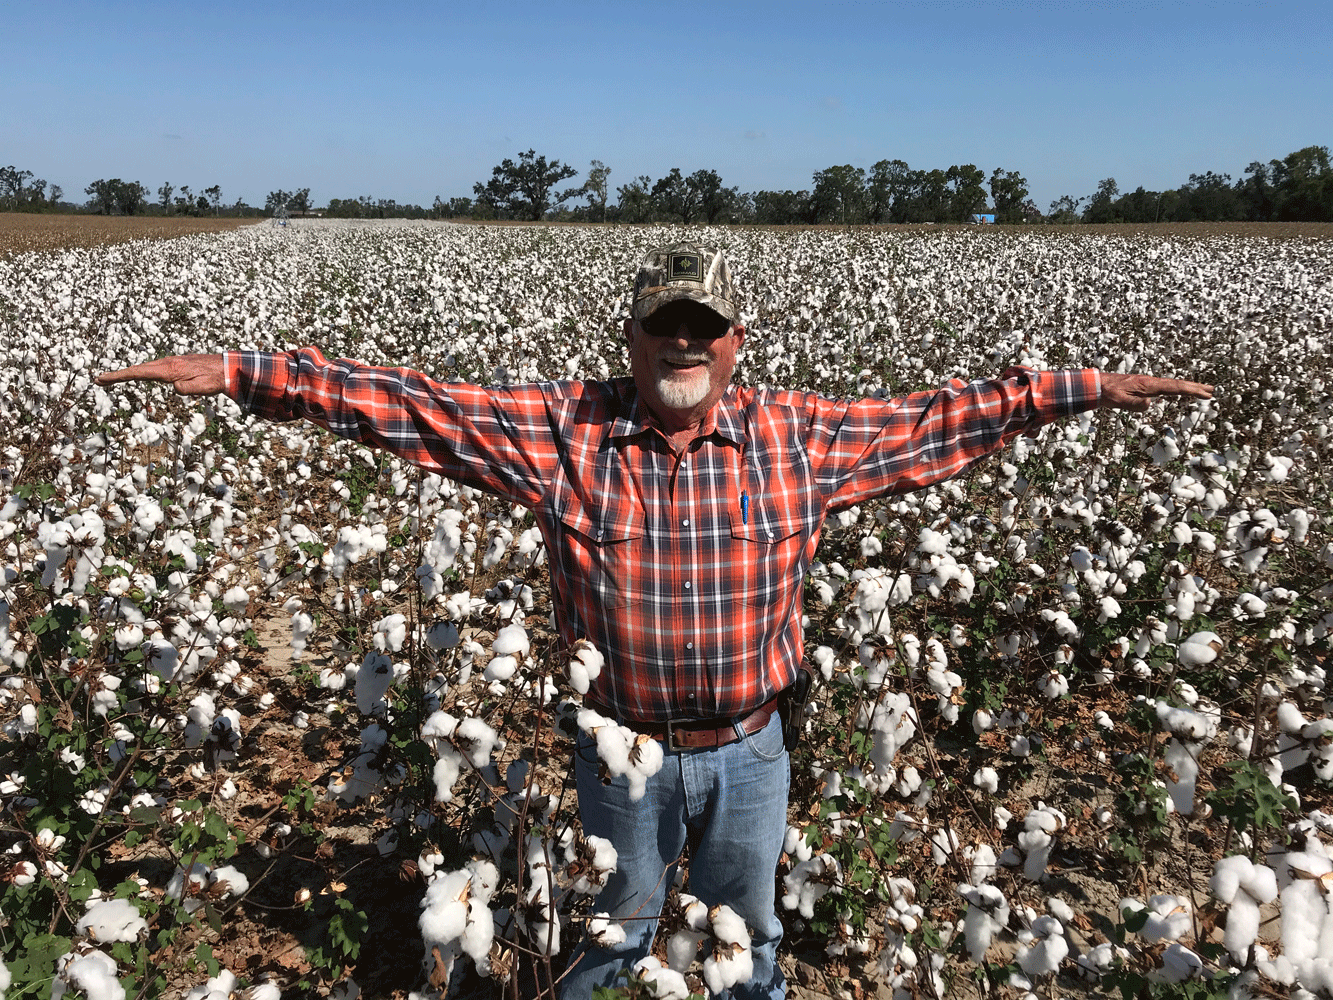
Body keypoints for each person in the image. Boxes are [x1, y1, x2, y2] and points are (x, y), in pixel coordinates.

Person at [97, 242, 1213, 998]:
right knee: (608, 933)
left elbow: (940, 419)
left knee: (750, 935)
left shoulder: (797, 438)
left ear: (736, 340)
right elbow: (411, 404)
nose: (683, 345)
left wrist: (1081, 388)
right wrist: (243, 372)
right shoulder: (563, 433)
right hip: (618, 754)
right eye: (663, 328)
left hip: (750, 751)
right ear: (630, 338)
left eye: (702, 329)